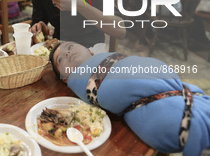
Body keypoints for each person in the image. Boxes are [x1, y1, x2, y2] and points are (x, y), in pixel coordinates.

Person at [49, 41, 210, 156]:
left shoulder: (112, 57)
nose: (67, 53)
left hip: (186, 94)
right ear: (65, 79)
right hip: (173, 116)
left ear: (90, 52)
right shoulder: (77, 82)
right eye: (60, 59)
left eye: (69, 47)